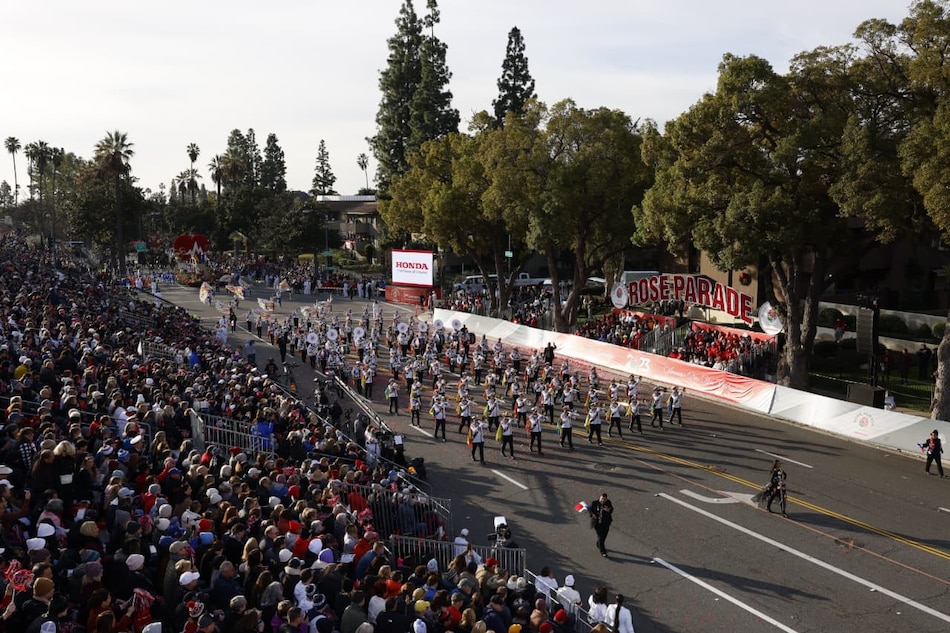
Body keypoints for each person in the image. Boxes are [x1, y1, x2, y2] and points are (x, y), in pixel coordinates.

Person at [589, 492, 613, 558]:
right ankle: (603, 552)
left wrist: (608, 510)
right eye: (602, 499)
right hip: (597, 524)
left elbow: (611, 509)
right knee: (601, 537)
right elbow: (590, 510)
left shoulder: (608, 503)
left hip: (605, 523)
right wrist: (593, 515)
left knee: (604, 536)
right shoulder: (594, 503)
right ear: (600, 497)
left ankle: (599, 543)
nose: (603, 500)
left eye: (604, 499)